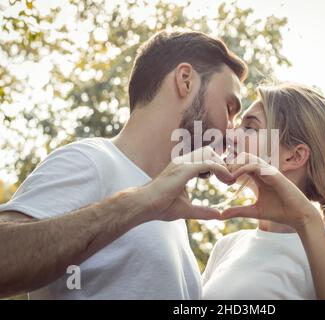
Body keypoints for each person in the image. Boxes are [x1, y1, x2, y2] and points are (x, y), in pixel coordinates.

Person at [0, 30, 247, 299]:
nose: (231, 128)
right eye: (230, 108)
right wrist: (142, 202)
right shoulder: (91, 160)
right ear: (185, 80)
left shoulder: (172, 215)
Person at [202, 83, 325, 300]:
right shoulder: (226, 246)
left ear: (293, 156)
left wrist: (307, 220)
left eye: (250, 128)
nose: (231, 135)